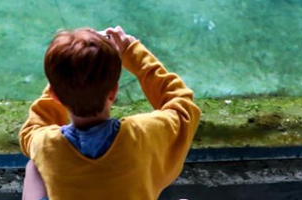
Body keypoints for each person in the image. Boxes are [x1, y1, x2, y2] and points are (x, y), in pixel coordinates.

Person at [19, 25, 201, 200]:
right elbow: (183, 106)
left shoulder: (45, 144)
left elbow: (31, 129)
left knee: (34, 166)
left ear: (55, 96)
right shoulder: (142, 134)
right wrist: (132, 52)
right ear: (114, 91)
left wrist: (65, 75)